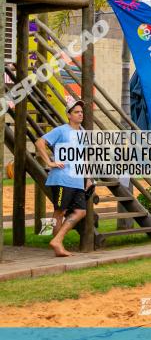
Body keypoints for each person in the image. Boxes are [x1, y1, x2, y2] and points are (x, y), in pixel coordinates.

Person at [35, 99, 92, 257]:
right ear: (68, 115)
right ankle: (57, 246)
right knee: (59, 212)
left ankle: (57, 240)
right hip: (61, 179)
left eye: (81, 112)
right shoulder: (61, 130)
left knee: (81, 211)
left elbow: (85, 156)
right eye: (76, 112)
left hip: (78, 179)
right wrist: (49, 162)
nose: (80, 114)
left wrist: (88, 177)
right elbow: (39, 142)